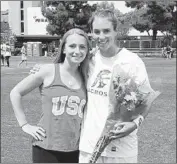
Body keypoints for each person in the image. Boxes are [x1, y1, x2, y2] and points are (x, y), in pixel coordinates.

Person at [30, 10, 159, 163]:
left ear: (116, 31)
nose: (101, 36)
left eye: (106, 31)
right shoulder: (88, 60)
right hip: (88, 149)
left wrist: (135, 123)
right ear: (91, 33)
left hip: (122, 149)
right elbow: (65, 68)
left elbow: (145, 100)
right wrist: (44, 68)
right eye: (97, 31)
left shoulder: (132, 61)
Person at [10, 28, 89, 163]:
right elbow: (15, 93)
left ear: (87, 51)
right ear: (63, 49)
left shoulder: (88, 76)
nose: (77, 51)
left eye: (82, 47)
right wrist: (24, 125)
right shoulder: (48, 71)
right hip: (45, 147)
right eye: (72, 46)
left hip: (75, 149)